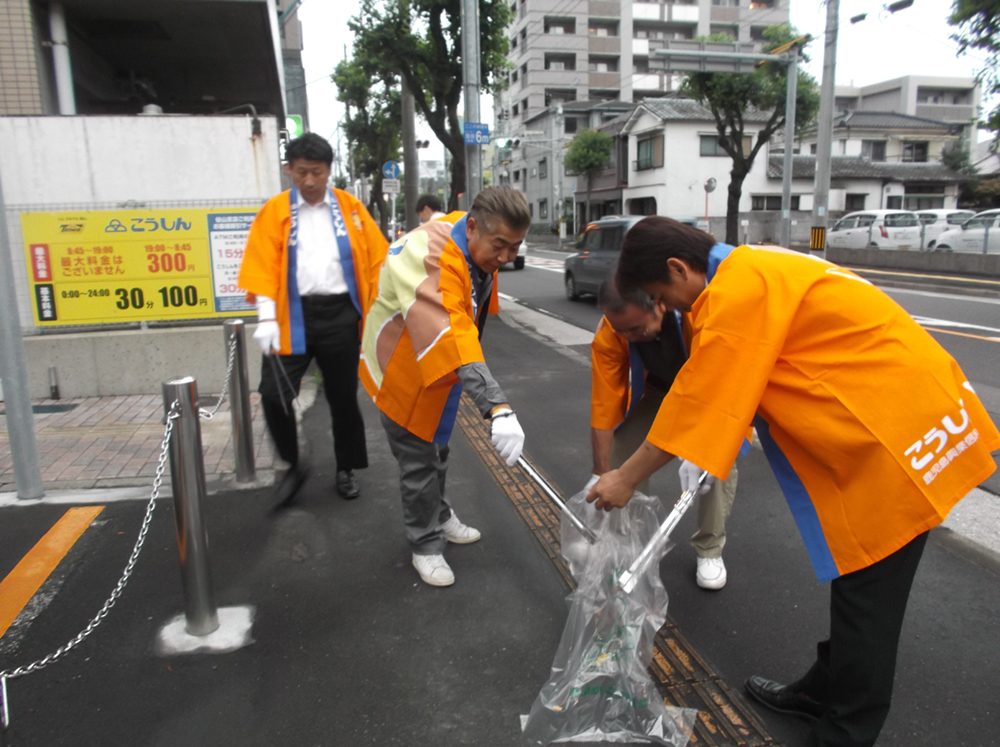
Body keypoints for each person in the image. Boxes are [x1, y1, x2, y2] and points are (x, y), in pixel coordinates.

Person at [586, 216, 999, 747]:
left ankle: (845, 731)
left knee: (869, 596)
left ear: (676, 268)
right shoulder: (752, 269)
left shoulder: (736, 292)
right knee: (857, 582)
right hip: (893, 419)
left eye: (669, 295)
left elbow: (703, 398)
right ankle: (823, 688)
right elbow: (737, 388)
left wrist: (623, 477)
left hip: (894, 438)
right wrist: (707, 451)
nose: (678, 310)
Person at [360, 186, 530, 587]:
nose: (506, 257)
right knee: (417, 461)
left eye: (516, 247)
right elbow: (452, 332)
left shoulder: (467, 234)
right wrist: (497, 407)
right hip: (401, 368)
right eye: (500, 246)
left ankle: (438, 513)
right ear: (472, 227)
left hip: (436, 367)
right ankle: (425, 545)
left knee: (438, 448)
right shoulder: (426, 256)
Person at [238, 133, 388, 507]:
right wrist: (266, 317)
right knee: (272, 394)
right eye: (301, 172)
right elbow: (262, 264)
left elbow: (377, 260)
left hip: (341, 313)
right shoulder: (275, 212)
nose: (309, 180)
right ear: (289, 170)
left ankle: (346, 467)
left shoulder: (350, 208)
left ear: (328, 171)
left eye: (317, 172)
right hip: (292, 314)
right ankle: (292, 463)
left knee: (343, 398)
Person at [590, 279, 739, 590]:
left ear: (658, 304)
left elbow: (724, 383)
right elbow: (605, 406)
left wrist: (699, 444)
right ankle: (627, 541)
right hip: (659, 393)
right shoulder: (612, 331)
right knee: (622, 453)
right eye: (623, 331)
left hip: (709, 395)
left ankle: (709, 548)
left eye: (636, 328)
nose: (630, 337)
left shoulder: (696, 311)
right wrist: (602, 473)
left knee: (715, 465)